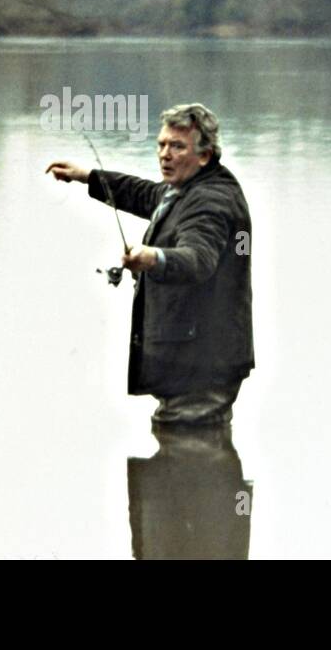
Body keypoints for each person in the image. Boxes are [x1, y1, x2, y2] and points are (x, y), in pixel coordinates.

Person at [46, 103, 254, 427]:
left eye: (177, 146)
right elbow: (146, 194)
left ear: (205, 155)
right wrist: (87, 177)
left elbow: (198, 259)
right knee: (191, 455)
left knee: (184, 448)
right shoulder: (190, 189)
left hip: (201, 366)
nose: (165, 154)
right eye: (161, 144)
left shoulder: (210, 202)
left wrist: (153, 258)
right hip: (203, 358)